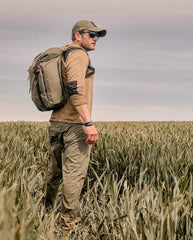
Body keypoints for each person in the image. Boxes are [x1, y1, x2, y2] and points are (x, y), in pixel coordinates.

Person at [44, 20, 107, 229]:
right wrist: (88, 123)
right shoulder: (79, 55)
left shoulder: (62, 52)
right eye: (91, 34)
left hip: (56, 123)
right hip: (74, 124)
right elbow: (75, 89)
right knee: (74, 176)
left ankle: (46, 212)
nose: (96, 38)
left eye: (98, 35)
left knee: (55, 172)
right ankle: (69, 223)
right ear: (78, 36)